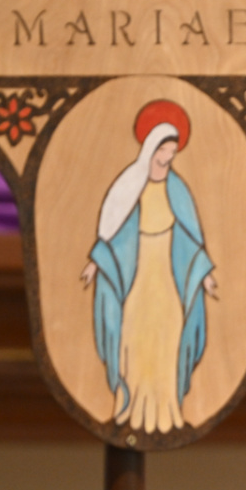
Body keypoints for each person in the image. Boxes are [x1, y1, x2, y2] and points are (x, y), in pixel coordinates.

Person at [81, 100, 218, 434]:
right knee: (132, 342)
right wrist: (96, 263)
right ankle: (129, 409)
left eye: (172, 152)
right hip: (138, 280)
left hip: (167, 280)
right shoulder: (130, 188)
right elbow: (112, 233)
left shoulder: (178, 191)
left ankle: (166, 413)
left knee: (168, 343)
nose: (167, 157)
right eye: (163, 150)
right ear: (151, 149)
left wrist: (205, 276)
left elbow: (191, 239)